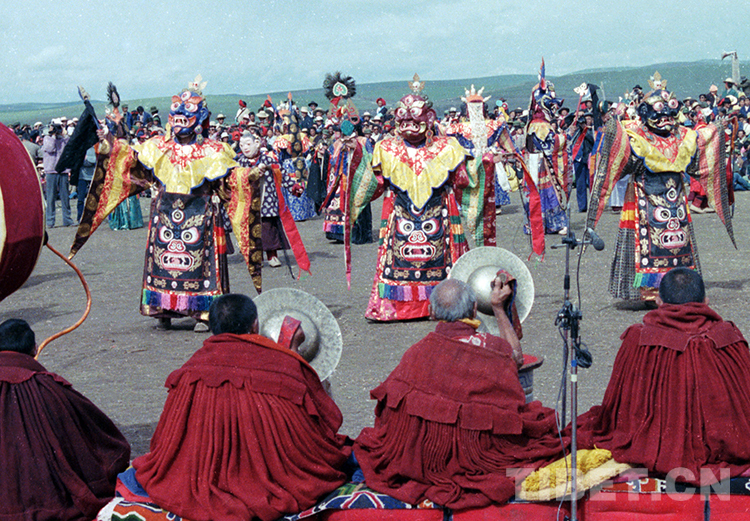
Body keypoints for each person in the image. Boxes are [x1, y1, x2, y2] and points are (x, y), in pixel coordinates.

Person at [122, 294, 349, 521]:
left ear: (212, 328)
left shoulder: (190, 370)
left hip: (197, 479)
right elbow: (325, 420)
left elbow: (164, 439)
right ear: (255, 325)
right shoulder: (284, 363)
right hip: (277, 478)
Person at [70, 77, 263, 331]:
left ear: (200, 118)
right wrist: (110, 141)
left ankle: (203, 313)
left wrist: (249, 175)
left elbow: (227, 180)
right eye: (177, 113)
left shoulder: (214, 150)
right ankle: (163, 309)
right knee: (164, 263)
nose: (181, 118)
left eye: (188, 112)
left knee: (199, 266)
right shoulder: (157, 147)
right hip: (165, 214)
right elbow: (132, 162)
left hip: (201, 215)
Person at [354, 277, 564, 509]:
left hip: (424, 458)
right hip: (480, 454)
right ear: (474, 309)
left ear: (432, 312)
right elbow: (517, 358)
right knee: (541, 422)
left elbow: (388, 412)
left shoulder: (416, 352)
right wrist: (498, 309)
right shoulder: (494, 347)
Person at [576, 268, 750, 485]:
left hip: (657, 444)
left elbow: (619, 405)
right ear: (705, 301)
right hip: (724, 446)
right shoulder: (728, 336)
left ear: (658, 301)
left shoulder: (638, 338)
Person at [587, 75, 734, 301]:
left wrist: (718, 128)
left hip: (675, 200)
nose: (665, 117)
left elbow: (700, 148)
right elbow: (624, 160)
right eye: (659, 111)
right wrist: (612, 129)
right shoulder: (635, 134)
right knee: (648, 243)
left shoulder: (682, 135)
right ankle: (650, 291)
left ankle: (682, 288)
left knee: (678, 241)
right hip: (644, 197)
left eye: (669, 111)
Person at [351, 76, 472, 321]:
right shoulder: (386, 148)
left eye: (415, 117)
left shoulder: (448, 147)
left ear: (430, 118)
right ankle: (398, 307)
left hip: (440, 213)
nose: (409, 123)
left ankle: (447, 304)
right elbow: (372, 183)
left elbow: (463, 180)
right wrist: (355, 158)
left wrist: (483, 163)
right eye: (403, 118)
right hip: (399, 214)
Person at [0, 319, 130, 520]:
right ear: (34, 349)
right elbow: (98, 434)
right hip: (50, 501)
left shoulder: (47, 385)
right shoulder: (49, 388)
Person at [42, 121, 74, 227]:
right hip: (51, 170)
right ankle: (50, 221)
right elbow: (50, 148)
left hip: (63, 170)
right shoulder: (47, 139)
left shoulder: (64, 140)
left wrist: (64, 135)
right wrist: (53, 136)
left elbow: (69, 148)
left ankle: (67, 220)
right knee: (51, 197)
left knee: (65, 196)